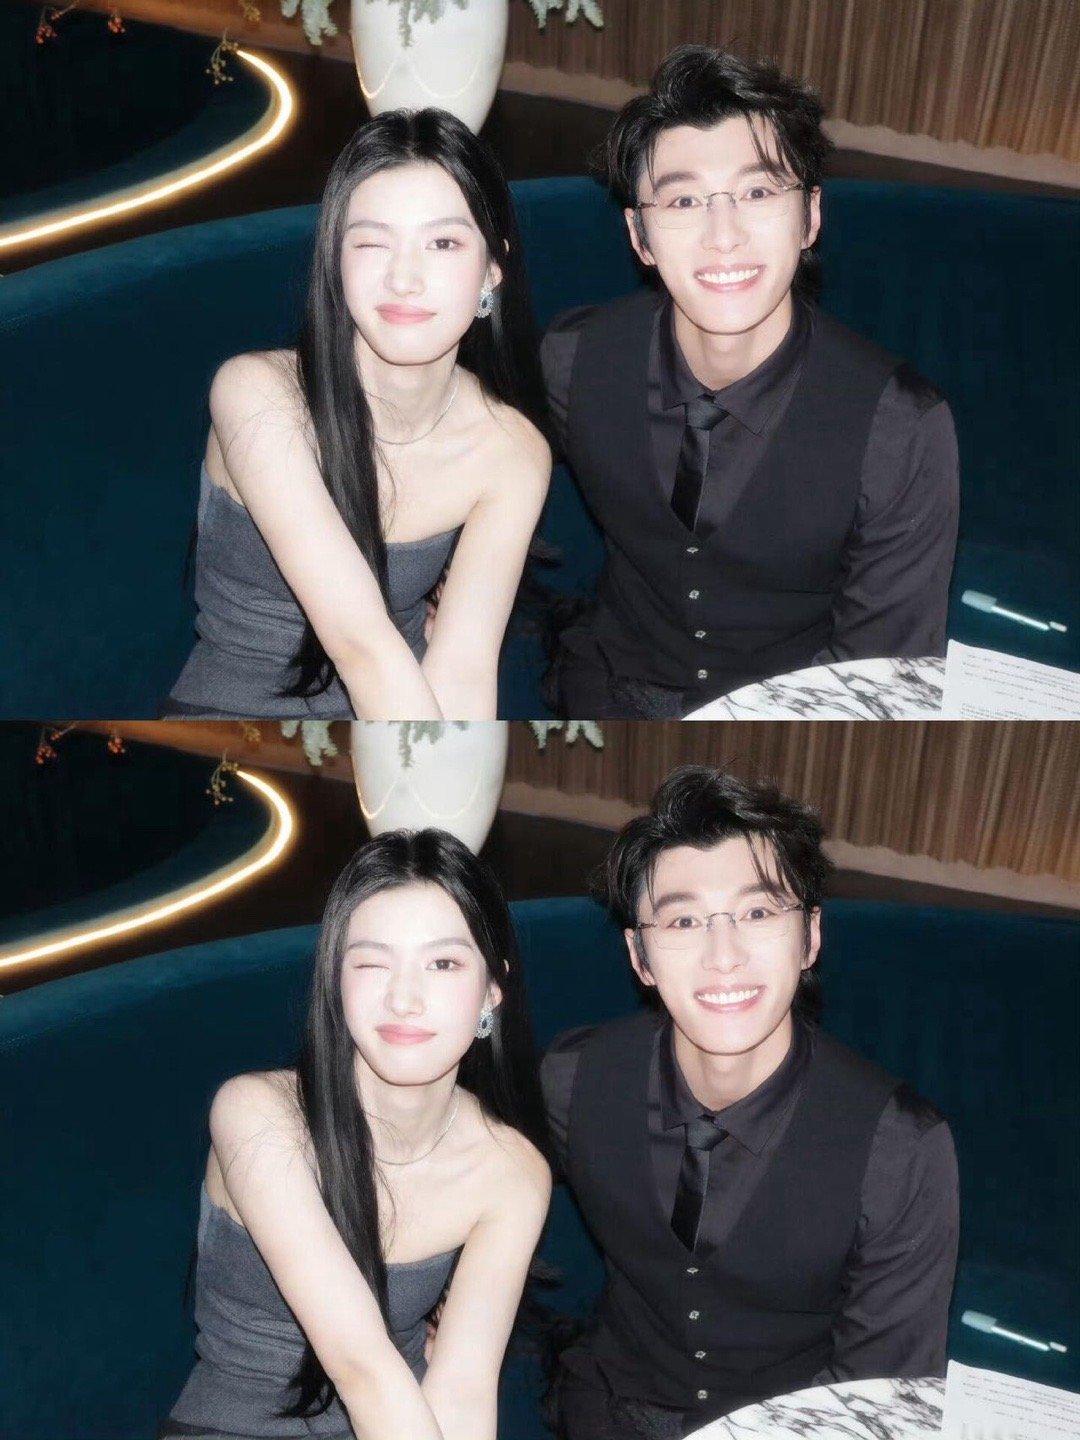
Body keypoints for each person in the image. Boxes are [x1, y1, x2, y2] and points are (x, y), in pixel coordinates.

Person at [541, 766, 959, 1439]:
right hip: (608, 1407)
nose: (724, 956)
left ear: (811, 937)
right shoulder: (573, 1079)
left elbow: (882, 1392)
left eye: (759, 913)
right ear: (639, 956)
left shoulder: (902, 1149)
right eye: (683, 920)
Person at [542, 46, 960, 718]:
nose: (724, 235)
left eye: (759, 192)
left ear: (811, 217)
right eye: (683, 199)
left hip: (790, 711)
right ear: (639, 236)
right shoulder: (573, 360)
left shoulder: (902, 428)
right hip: (607, 684)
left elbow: (881, 677)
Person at [160, 829, 552, 1440]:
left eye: (443, 963)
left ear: (491, 991)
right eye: (372, 962)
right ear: (336, 981)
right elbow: (361, 1367)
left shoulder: (511, 1170)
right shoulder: (259, 1115)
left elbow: (463, 1389)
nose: (404, 999)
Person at [165, 109, 550, 720]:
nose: (404, 279)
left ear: (492, 269)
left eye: (443, 243)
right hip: (243, 718)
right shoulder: (259, 394)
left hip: (409, 709)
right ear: (336, 260)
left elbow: (464, 669)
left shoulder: (511, 449)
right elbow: (361, 646)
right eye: (372, 242)